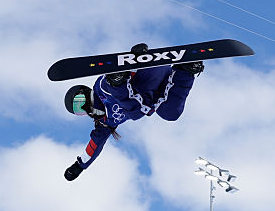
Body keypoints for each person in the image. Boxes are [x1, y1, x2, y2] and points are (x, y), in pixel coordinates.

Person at [62, 44, 204, 181]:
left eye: (79, 102)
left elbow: (104, 87)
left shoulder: (100, 89)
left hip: (145, 75)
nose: (83, 108)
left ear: (85, 92)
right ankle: (186, 70)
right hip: (159, 87)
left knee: (124, 102)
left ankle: (117, 78)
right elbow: (94, 145)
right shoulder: (106, 123)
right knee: (171, 114)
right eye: (78, 110)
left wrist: (135, 59)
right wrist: (79, 166)